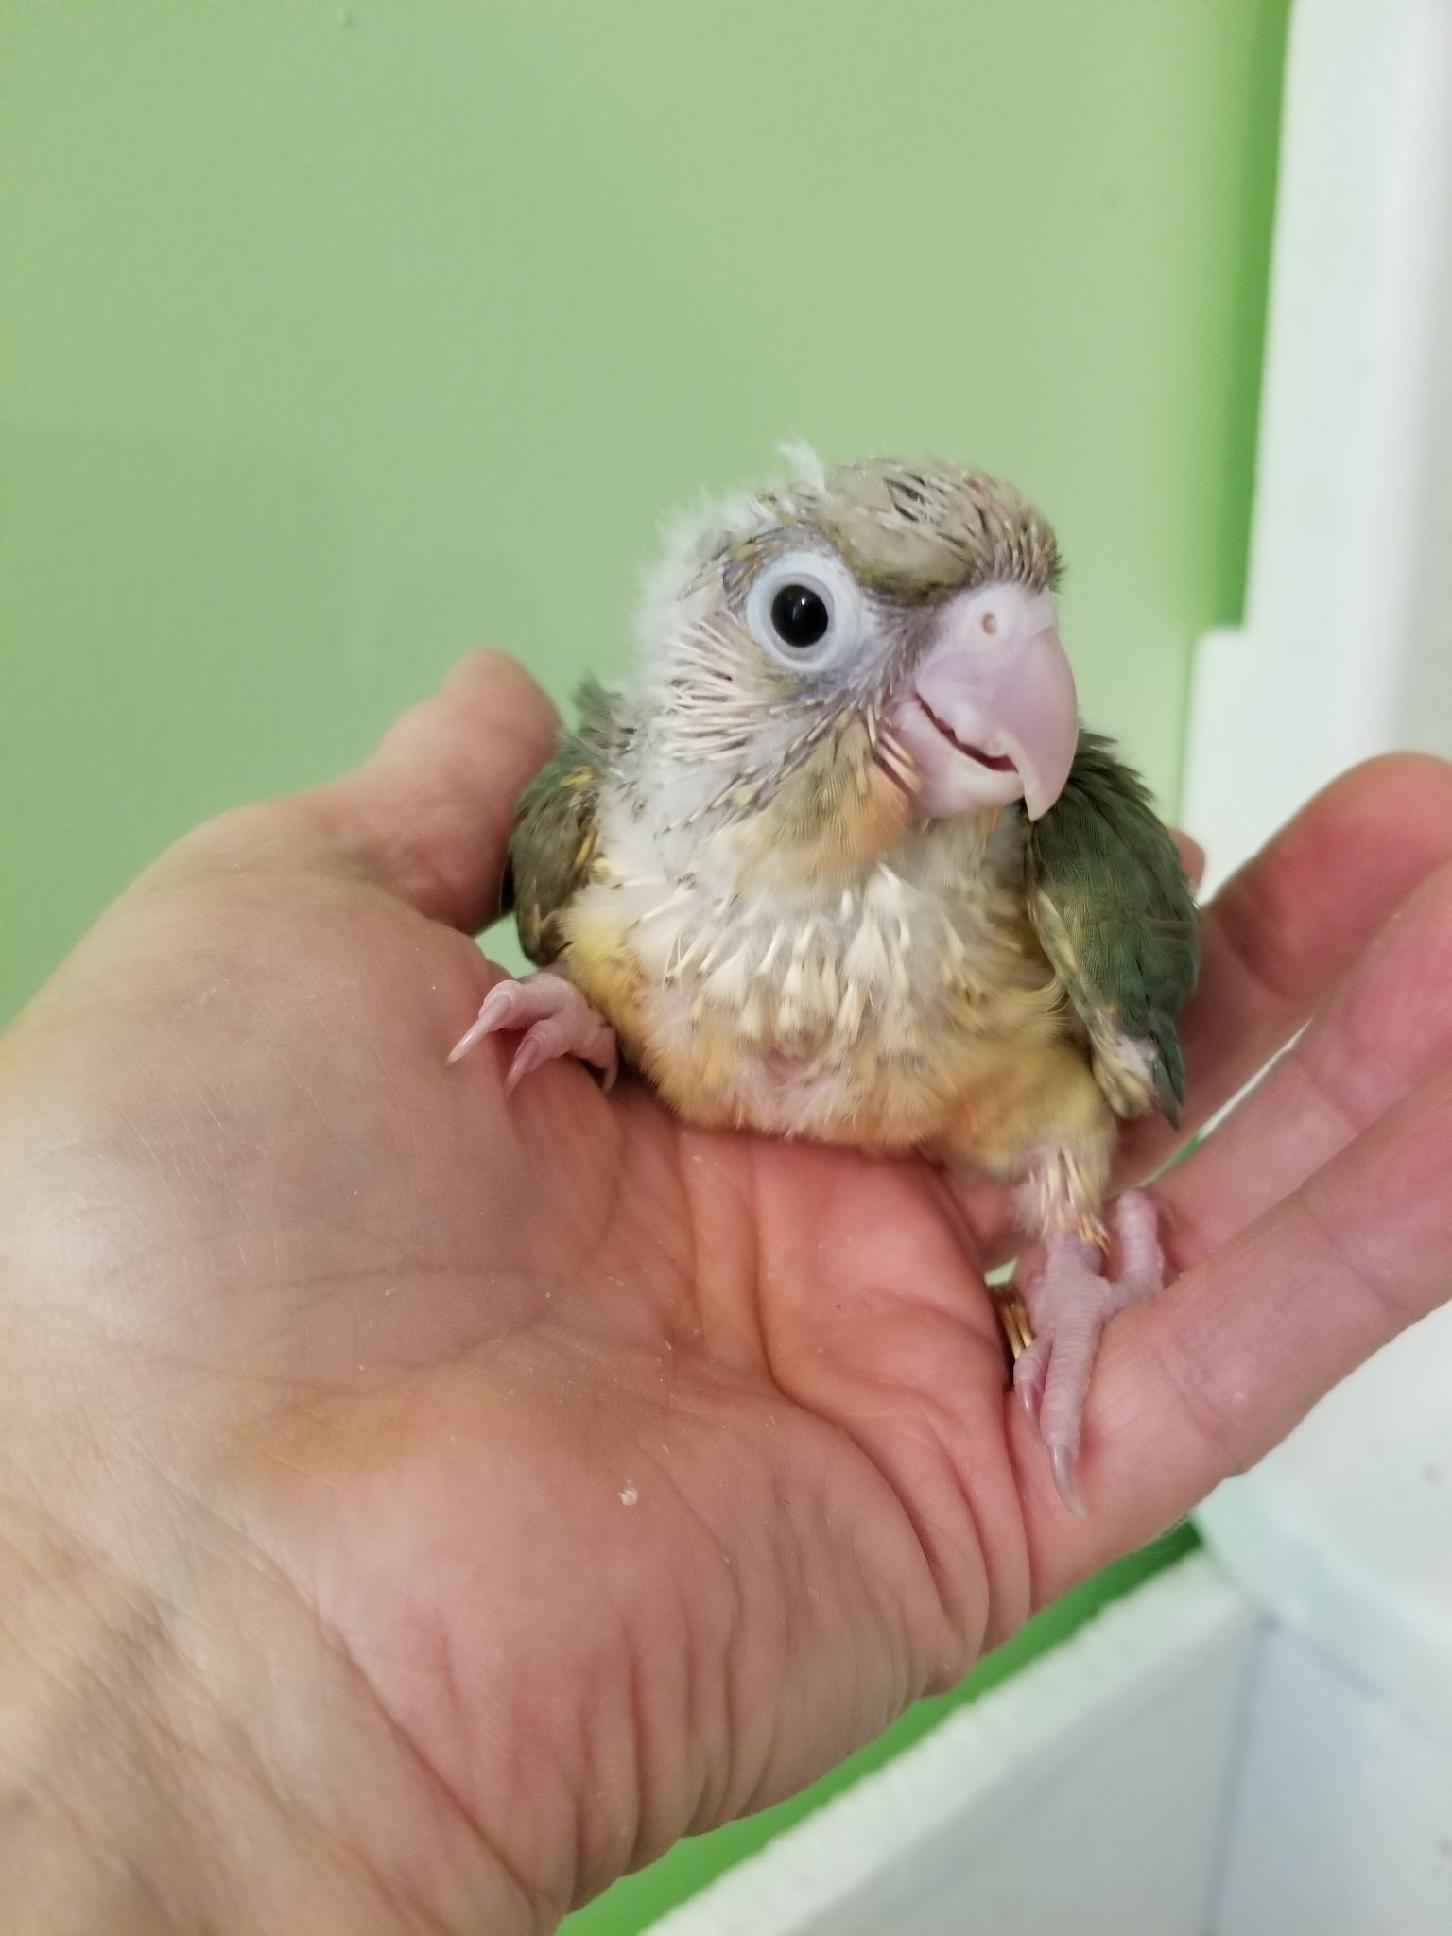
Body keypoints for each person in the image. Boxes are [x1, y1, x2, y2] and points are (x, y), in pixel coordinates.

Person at [3, 650, 1450, 1935]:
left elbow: (1085, 1094)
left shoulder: (1064, 878)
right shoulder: (605, 834)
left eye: (1017, 617)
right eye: (817, 622)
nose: (990, 661)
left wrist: (1073, 1253)